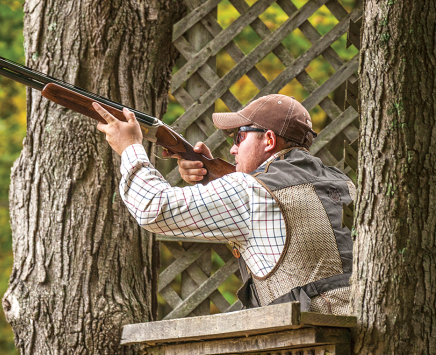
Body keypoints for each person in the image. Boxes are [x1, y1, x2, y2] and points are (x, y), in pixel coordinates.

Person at [92, 94, 355, 315]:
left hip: (306, 351)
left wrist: (129, 148)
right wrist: (213, 176)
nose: (232, 149)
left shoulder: (248, 191)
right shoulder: (343, 182)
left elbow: (152, 208)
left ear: (270, 140)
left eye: (239, 137)